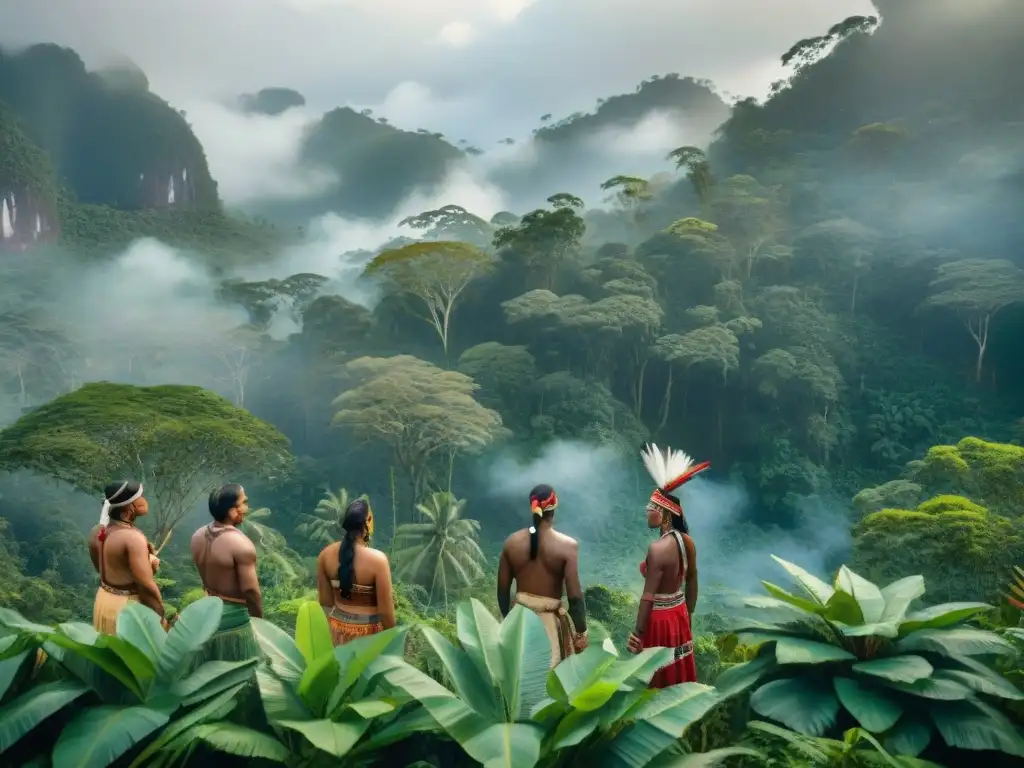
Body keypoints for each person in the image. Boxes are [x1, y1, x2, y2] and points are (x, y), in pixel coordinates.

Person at [627, 443, 707, 688]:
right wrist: (688, 615)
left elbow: (648, 596)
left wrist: (638, 633)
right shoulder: (688, 542)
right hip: (679, 613)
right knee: (677, 674)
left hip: (660, 619)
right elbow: (692, 579)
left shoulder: (657, 548)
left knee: (655, 675)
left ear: (665, 514)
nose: (647, 512)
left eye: (651, 508)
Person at [497, 484, 588, 668]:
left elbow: (502, 591)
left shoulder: (512, 543)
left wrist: (509, 622)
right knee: (550, 683)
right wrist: (581, 632)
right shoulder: (567, 546)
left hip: (519, 623)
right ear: (554, 505)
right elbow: (575, 597)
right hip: (550, 626)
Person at [189, 484, 262, 665]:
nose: (247, 508)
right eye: (244, 503)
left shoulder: (197, 535)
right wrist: (259, 624)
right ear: (232, 511)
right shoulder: (240, 544)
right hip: (235, 620)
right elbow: (250, 590)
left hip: (206, 613)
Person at [88, 480, 165, 634]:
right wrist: (160, 616)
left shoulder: (98, 531)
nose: (145, 500)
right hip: (126, 608)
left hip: (104, 600)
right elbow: (146, 586)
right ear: (129, 507)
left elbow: (104, 568)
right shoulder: (131, 537)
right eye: (140, 496)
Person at [316, 498, 396, 645]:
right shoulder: (378, 560)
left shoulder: (325, 555)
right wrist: (393, 644)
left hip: (336, 635)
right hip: (369, 639)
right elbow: (386, 613)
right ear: (368, 520)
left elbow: (326, 604)